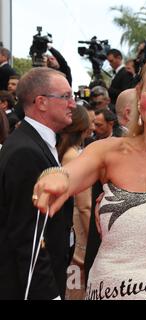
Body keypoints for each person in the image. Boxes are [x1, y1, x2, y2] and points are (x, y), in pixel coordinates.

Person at [32, 55, 146, 300]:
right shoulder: (107, 150)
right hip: (103, 289)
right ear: (139, 94)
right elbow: (69, 174)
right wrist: (54, 178)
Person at [0, 67, 75, 299]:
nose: (73, 104)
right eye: (66, 97)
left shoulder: (34, 142)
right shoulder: (26, 151)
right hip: (28, 286)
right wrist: (48, 295)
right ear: (41, 102)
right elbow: (28, 235)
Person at [56, 105, 92, 300]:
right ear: (84, 128)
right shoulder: (74, 156)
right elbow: (84, 205)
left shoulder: (60, 151)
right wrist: (93, 237)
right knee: (77, 285)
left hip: (67, 227)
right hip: (78, 229)